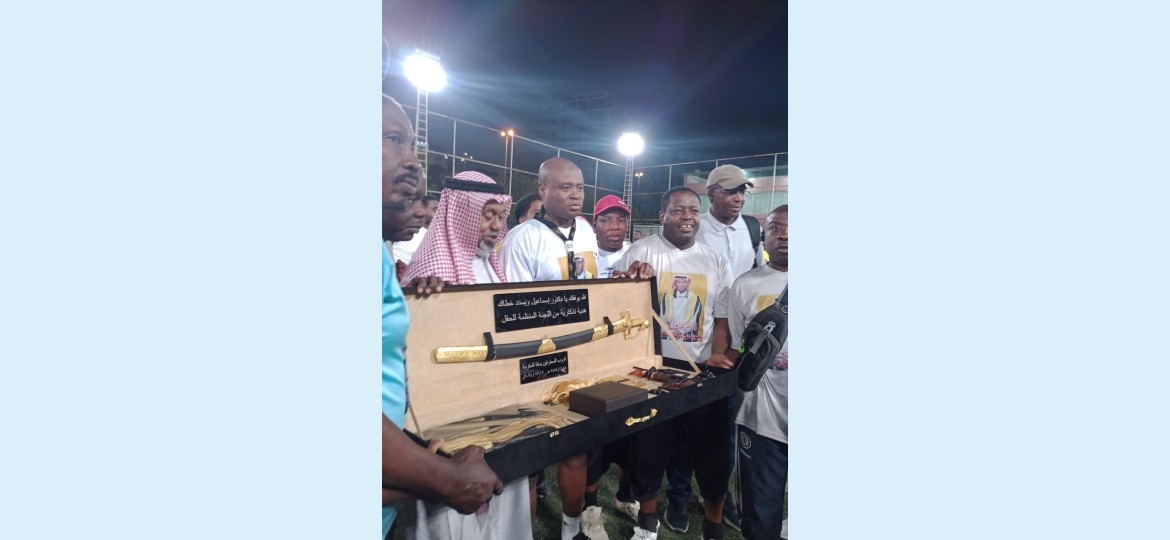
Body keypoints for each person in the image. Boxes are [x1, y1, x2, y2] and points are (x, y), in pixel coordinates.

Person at [500, 157, 652, 540]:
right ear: (542, 189)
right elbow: (512, 313)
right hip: (536, 363)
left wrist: (622, 280)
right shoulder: (522, 239)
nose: (575, 195)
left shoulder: (584, 230)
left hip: (582, 358)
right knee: (531, 461)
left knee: (578, 451)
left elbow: (593, 287)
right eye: (565, 187)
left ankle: (571, 531)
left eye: (580, 187)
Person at [381, 96, 502, 540]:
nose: (414, 161)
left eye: (413, 144)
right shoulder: (431, 269)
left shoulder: (494, 262)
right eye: (394, 139)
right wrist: (442, 477)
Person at [401, 170, 533, 539]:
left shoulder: (492, 265)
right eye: (487, 215)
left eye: (500, 216)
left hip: (496, 403)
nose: (497, 226)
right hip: (450, 415)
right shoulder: (429, 274)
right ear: (461, 213)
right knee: (451, 513)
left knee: (505, 497)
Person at [614, 187, 735, 540]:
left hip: (701, 372)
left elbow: (722, 319)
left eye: (694, 210)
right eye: (678, 210)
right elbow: (620, 305)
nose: (687, 217)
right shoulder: (641, 251)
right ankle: (647, 524)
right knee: (648, 453)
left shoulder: (715, 260)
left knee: (712, 455)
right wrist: (629, 281)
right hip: (652, 373)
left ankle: (713, 527)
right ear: (662, 215)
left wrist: (717, 357)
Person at [684, 163, 764, 530]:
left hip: (740, 339)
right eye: (731, 191)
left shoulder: (751, 228)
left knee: (726, 425)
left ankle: (718, 494)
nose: (738, 198)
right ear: (711, 192)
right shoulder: (694, 226)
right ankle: (679, 494)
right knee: (685, 424)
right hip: (699, 338)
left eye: (742, 191)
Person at [724, 205, 788, 540]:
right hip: (761, 419)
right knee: (760, 518)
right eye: (776, 227)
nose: (785, 235)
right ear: (765, 234)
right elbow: (740, 347)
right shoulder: (745, 286)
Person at [592, 195, 632, 279]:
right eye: (606, 220)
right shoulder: (584, 255)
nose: (615, 226)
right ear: (595, 225)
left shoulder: (635, 253)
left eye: (621, 220)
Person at [392, 194, 439, 266]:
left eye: (440, 210)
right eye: (435, 210)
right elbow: (398, 268)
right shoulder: (408, 238)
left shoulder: (440, 235)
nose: (439, 213)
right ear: (421, 211)